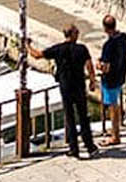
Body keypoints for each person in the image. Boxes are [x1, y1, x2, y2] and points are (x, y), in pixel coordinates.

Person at [38, 24, 98, 158]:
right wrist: (93, 81)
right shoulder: (82, 49)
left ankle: (73, 148)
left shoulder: (58, 49)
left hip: (65, 87)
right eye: (77, 32)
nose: (78, 34)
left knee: (69, 118)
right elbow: (89, 65)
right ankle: (89, 145)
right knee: (83, 117)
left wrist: (27, 46)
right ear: (73, 34)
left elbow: (37, 55)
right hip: (79, 86)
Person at [97, 14, 126, 147]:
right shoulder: (124, 38)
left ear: (105, 28)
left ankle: (115, 135)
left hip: (110, 79)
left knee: (113, 106)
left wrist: (98, 65)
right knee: (115, 104)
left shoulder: (108, 45)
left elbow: (105, 68)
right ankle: (115, 131)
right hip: (121, 74)